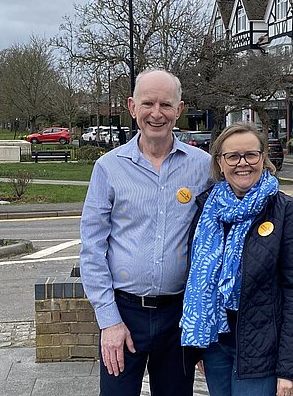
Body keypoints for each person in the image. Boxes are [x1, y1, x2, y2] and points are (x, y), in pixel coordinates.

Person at [80, 69, 212, 396]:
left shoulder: (203, 166)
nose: (157, 113)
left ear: (179, 109)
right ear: (132, 106)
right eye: (148, 103)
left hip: (179, 316)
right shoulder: (108, 168)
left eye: (166, 104)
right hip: (123, 314)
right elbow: (92, 249)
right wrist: (108, 321)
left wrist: (205, 324)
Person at [181, 122, 293, 396]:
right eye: (232, 156)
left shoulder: (287, 212)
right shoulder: (208, 210)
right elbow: (194, 274)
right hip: (215, 344)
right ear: (220, 163)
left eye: (251, 155)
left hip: (261, 351)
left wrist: (290, 369)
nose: (242, 163)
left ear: (262, 158)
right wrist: (198, 344)